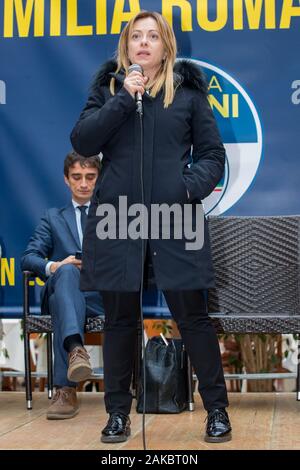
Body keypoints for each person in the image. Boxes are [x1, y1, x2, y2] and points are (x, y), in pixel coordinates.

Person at [70, 11, 232, 443]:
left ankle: (217, 411)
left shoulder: (188, 95)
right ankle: (118, 414)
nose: (143, 43)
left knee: (192, 317)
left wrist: (185, 188)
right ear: (126, 46)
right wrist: (124, 98)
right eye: (136, 36)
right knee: (120, 322)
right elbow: (83, 142)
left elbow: (214, 156)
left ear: (166, 46)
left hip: (175, 219)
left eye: (153, 36)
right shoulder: (109, 91)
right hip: (116, 220)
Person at [21, 151, 104, 420]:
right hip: (65, 286)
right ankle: (76, 351)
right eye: (77, 177)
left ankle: (65, 390)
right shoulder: (53, 217)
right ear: (66, 180)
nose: (83, 184)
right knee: (67, 274)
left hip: (100, 294)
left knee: (60, 302)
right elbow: (29, 257)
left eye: (90, 177)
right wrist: (54, 266)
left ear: (98, 179)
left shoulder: (112, 216)